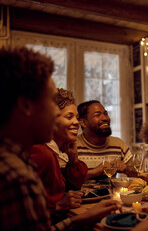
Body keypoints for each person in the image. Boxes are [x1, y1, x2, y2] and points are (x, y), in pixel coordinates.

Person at [0, 47, 121, 230]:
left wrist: (78, 219)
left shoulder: (17, 160)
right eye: (50, 101)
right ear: (25, 105)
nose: (57, 111)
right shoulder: (17, 176)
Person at [29, 88, 87, 222]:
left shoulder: (53, 152)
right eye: (69, 116)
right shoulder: (41, 153)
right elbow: (20, 203)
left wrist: (74, 159)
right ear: (51, 119)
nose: (77, 122)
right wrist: (57, 205)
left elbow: (73, 187)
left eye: (77, 117)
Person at [76, 100, 137, 179]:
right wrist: (95, 172)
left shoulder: (119, 144)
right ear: (84, 123)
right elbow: (64, 180)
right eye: (97, 115)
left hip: (112, 191)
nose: (105, 118)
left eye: (106, 114)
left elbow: (138, 174)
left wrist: (126, 169)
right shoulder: (73, 146)